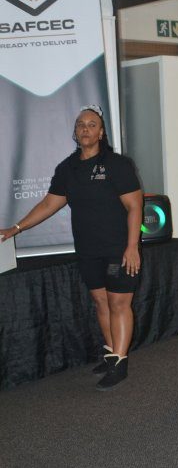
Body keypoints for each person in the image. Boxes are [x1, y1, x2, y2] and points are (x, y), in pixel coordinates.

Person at [0, 105, 143, 391]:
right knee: (100, 302)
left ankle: (120, 363)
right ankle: (112, 353)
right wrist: (15, 228)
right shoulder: (68, 168)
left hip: (118, 248)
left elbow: (135, 206)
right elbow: (48, 204)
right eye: (80, 125)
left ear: (101, 133)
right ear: (75, 132)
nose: (85, 129)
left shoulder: (118, 164)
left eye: (92, 124)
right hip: (88, 249)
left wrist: (132, 246)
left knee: (118, 303)